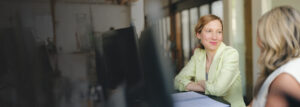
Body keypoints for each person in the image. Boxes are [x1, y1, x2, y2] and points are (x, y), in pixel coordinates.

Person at [174, 14, 245, 107]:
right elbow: (177, 81)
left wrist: (201, 83)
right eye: (209, 31)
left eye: (219, 32)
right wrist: (198, 86)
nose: (214, 37)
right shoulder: (198, 54)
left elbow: (219, 90)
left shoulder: (231, 54)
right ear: (198, 34)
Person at [251, 6, 300, 107]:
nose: (257, 41)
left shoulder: (284, 81)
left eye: (259, 34)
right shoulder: (289, 67)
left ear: (271, 38)